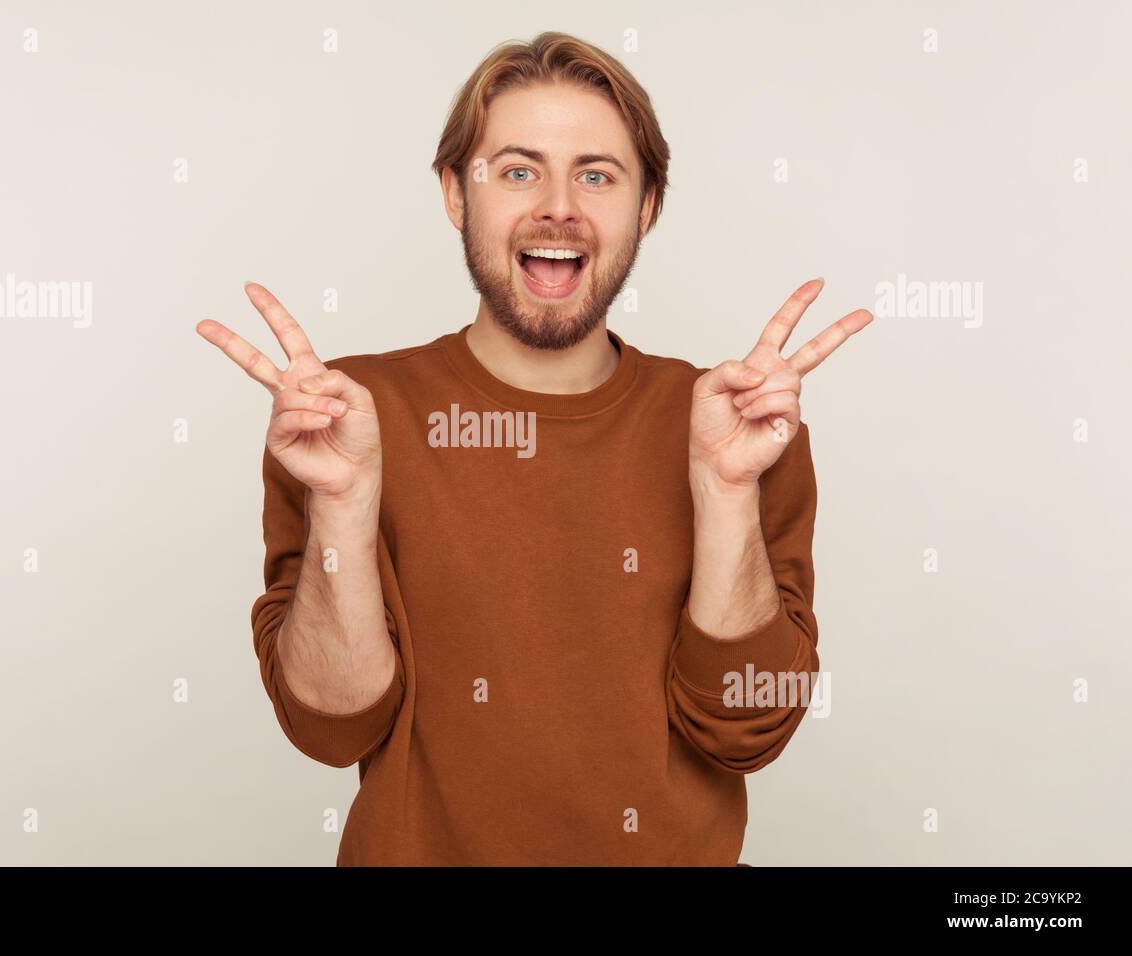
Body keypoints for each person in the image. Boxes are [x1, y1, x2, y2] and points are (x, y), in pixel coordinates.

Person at [196, 31, 871, 865]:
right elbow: (333, 727)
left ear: (647, 206)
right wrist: (341, 505)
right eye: (518, 171)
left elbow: (746, 729)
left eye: (596, 174)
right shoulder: (346, 419)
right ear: (455, 192)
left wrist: (727, 493)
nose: (559, 206)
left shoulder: (736, 425)